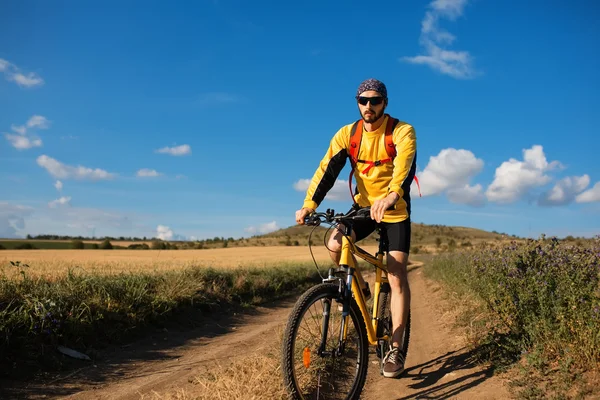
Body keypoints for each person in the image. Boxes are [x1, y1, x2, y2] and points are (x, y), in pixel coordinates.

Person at [295, 78, 417, 378]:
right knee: (334, 242)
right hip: (364, 208)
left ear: (384, 103)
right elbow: (328, 168)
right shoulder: (348, 134)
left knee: (396, 273)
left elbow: (404, 168)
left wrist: (391, 196)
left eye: (374, 100)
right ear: (357, 102)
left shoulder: (402, 131)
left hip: (394, 209)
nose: (368, 106)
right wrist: (310, 203)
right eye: (363, 100)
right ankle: (358, 289)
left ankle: (396, 350)